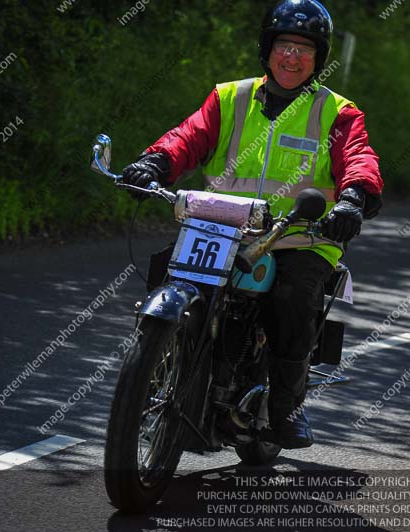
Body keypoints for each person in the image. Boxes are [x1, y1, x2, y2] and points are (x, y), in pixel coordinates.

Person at [120, 0, 383, 449]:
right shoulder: (230, 97)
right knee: (171, 270)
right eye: (284, 45)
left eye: (304, 48)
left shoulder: (337, 112)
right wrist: (155, 162)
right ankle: (163, 365)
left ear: (318, 58)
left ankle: (287, 407)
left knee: (294, 297)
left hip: (299, 235)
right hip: (219, 228)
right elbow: (189, 136)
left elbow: (358, 158)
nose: (292, 57)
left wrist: (353, 200)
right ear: (268, 48)